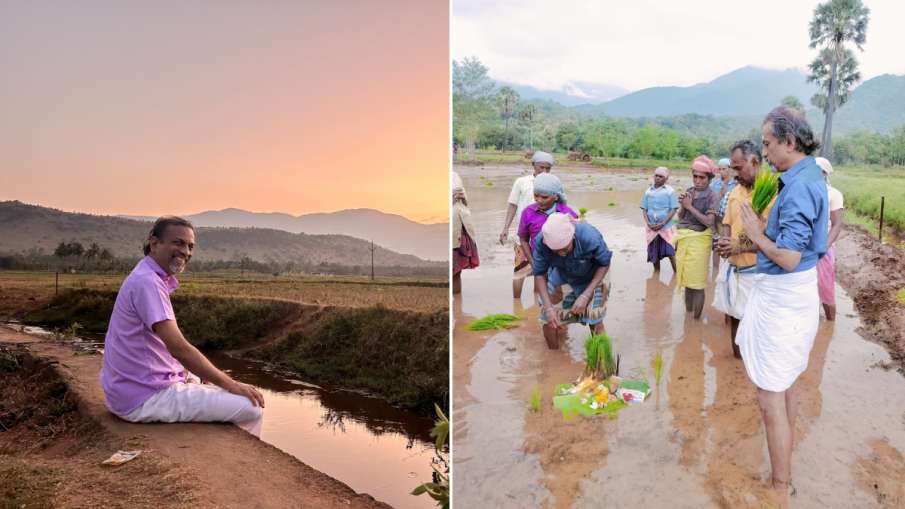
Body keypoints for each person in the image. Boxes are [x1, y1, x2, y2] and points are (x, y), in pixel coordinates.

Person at [736, 106, 828, 502]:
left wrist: (755, 232)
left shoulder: (801, 185)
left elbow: (789, 256)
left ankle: (778, 487)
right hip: (793, 295)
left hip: (785, 297)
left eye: (769, 144)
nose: (766, 153)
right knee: (785, 383)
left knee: (770, 396)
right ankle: (783, 466)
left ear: (790, 141)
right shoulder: (804, 178)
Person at [101, 217, 265, 436]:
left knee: (206, 382)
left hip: (129, 390)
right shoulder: (148, 282)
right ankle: (238, 463)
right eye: (178, 243)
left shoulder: (146, 275)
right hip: (144, 397)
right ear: (154, 243)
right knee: (251, 406)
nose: (186, 252)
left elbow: (158, 347)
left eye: (190, 246)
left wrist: (192, 374)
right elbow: (178, 347)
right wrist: (230, 383)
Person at [713, 140, 776, 358]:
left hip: (758, 273)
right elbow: (727, 224)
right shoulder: (736, 191)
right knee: (734, 319)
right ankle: (735, 372)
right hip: (734, 270)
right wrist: (724, 243)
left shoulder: (773, 194)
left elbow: (773, 240)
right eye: (733, 167)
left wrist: (738, 247)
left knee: (758, 328)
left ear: (755, 162)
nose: (734, 172)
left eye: (739, 167)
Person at [532, 213, 612, 350]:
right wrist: (548, 307)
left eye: (565, 249)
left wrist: (586, 295)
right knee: (549, 319)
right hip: (563, 274)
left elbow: (604, 263)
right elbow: (539, 274)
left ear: (573, 236)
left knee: (595, 318)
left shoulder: (589, 236)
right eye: (556, 251)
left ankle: (602, 364)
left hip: (594, 276)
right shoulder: (541, 241)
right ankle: (554, 363)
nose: (561, 253)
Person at [499, 151, 554, 298]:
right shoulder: (521, 182)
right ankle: (516, 304)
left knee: (540, 272)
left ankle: (538, 307)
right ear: (533, 166)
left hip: (545, 236)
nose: (544, 171)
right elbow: (512, 205)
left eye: (548, 168)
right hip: (523, 236)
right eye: (541, 167)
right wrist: (505, 228)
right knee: (520, 270)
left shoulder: (553, 184)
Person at [675, 155, 719, 319]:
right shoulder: (689, 191)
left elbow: (709, 221)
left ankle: (695, 321)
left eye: (702, 177)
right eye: (695, 176)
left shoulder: (712, 196)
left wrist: (689, 206)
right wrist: (683, 205)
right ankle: (689, 318)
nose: (698, 180)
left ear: (709, 179)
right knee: (687, 282)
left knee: (698, 284)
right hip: (685, 237)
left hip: (700, 240)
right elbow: (681, 217)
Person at [517, 173, 578, 277]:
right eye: (536, 195)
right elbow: (523, 239)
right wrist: (533, 262)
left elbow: (577, 240)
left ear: (556, 196)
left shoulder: (567, 214)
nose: (539, 200)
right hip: (540, 260)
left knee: (560, 291)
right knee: (540, 290)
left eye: (544, 197)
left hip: (563, 263)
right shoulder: (528, 212)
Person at [814, 157, 844, 321]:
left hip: (823, 247)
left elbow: (837, 224)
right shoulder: (804, 192)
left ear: (824, 173)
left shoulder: (833, 194)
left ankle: (830, 322)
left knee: (825, 287)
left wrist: (824, 246)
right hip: (805, 247)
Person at [640, 166, 679, 273]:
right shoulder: (648, 191)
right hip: (652, 227)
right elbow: (644, 209)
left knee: (670, 251)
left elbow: (674, 209)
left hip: (665, 227)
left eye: (661, 176)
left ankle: (676, 274)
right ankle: (656, 274)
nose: (658, 178)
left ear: (666, 179)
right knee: (654, 251)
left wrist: (663, 223)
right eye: (656, 175)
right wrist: (648, 223)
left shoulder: (670, 191)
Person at [453, 171, 479, 295]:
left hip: (460, 226)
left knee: (457, 271)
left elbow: (465, 203)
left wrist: (462, 197)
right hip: (452, 229)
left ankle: (456, 305)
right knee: (453, 270)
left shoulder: (456, 176)